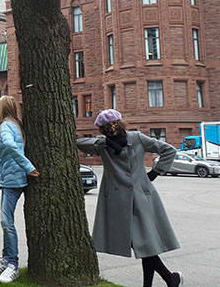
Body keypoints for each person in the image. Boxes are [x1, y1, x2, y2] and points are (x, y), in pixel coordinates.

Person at [77, 109, 183, 287]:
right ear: (102, 129)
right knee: (143, 245)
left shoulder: (137, 138)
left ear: (120, 122)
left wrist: (154, 173)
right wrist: (105, 143)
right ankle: (168, 279)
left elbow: (168, 150)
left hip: (141, 197)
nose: (111, 128)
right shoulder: (103, 144)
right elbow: (79, 142)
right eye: (106, 127)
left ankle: (168, 280)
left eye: (113, 124)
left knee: (143, 244)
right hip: (118, 200)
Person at [0, 96, 39, 284]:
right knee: (6, 221)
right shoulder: (17, 124)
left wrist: (27, 167)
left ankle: (13, 265)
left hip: (13, 180)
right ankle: (6, 260)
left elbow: (9, 145)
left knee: (6, 221)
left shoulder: (5, 126)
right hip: (12, 178)